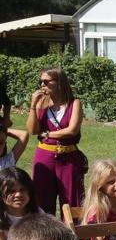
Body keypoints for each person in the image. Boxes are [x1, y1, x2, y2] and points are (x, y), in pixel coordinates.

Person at [26, 67, 86, 215]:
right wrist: (33, 106)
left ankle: (76, 235)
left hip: (69, 157)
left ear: (59, 82)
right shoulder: (41, 104)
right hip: (45, 156)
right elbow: (32, 130)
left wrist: (46, 134)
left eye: (46, 81)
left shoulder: (74, 103)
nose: (42, 85)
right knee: (42, 198)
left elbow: (72, 130)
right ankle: (46, 236)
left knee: (73, 200)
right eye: (40, 82)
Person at [0, 167, 40, 240]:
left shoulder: (38, 213)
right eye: (11, 191)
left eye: (22, 190)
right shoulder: (1, 219)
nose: (18, 195)